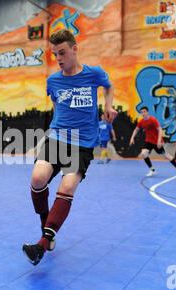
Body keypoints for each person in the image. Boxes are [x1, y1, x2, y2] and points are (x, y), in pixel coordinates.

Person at [22, 29, 117, 266]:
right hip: (57, 138)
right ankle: (46, 224)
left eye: (62, 52)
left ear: (75, 49)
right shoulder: (53, 80)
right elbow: (57, 105)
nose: (58, 58)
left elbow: (109, 86)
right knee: (37, 179)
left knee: (66, 187)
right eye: (55, 54)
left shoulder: (94, 74)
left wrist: (108, 105)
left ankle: (42, 245)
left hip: (82, 144)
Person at [129, 106, 176, 177]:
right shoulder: (141, 122)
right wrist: (132, 138)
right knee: (143, 153)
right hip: (148, 141)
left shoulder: (153, 120)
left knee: (166, 155)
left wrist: (158, 141)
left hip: (157, 141)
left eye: (144, 112)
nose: (143, 113)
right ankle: (152, 170)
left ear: (147, 112)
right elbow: (136, 129)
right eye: (142, 112)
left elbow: (160, 129)